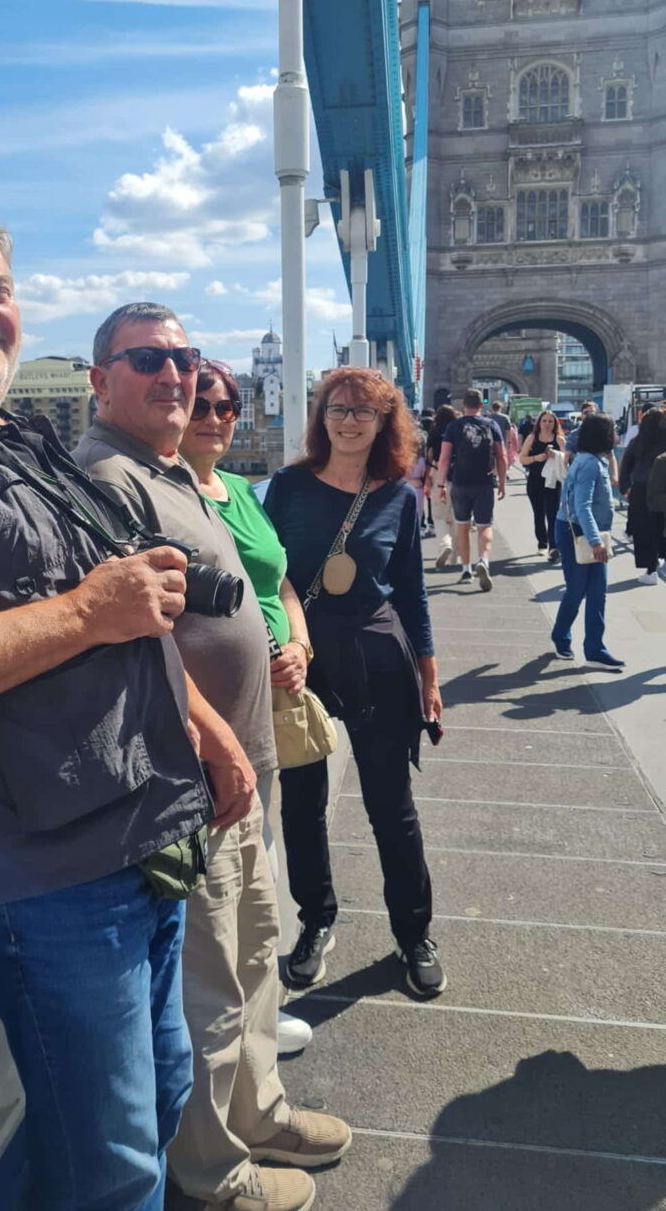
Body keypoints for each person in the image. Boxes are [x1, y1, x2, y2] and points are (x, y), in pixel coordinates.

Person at [0, 197, 258, 1211]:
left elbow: (128, 610)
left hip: (135, 828)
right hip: (32, 869)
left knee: (143, 1109)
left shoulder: (24, 440)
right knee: (115, 1162)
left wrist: (206, 728)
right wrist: (82, 616)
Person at [75, 304, 351, 1211]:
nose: (175, 374)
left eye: (184, 357)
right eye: (148, 357)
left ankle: (260, 1111)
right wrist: (214, 739)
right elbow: (126, 641)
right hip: (190, 782)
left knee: (256, 956)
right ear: (99, 379)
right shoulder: (105, 478)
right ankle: (214, 1169)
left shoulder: (180, 476)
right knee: (208, 991)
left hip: (247, 767)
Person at [263, 367, 446, 1000]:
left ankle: (414, 933)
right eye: (337, 409)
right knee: (303, 801)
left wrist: (430, 675)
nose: (348, 420)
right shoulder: (286, 487)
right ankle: (316, 921)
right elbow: (267, 576)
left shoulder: (400, 496)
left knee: (391, 807)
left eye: (363, 412)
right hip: (302, 659)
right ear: (321, 417)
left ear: (384, 422)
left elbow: (414, 596)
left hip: (379, 658)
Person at [177, 357, 314, 1058]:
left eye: (228, 405)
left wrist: (301, 641)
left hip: (269, 710)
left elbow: (281, 579)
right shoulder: (163, 489)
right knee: (215, 894)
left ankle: (261, 1013)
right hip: (207, 728)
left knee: (262, 866)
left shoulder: (238, 488)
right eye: (201, 402)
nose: (215, 416)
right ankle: (226, 1039)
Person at [551, 413, 623, 669]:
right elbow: (582, 506)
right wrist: (595, 541)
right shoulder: (591, 464)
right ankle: (562, 637)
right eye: (614, 430)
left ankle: (595, 648)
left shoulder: (593, 460)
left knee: (597, 592)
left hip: (589, 532)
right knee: (578, 589)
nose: (617, 435)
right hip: (579, 534)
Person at [434, 388, 507, 590]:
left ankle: (466, 570)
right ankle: (483, 560)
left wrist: (440, 485)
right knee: (484, 526)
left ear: (463, 405)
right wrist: (501, 482)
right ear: (481, 405)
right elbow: (501, 457)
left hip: (460, 483)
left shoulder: (453, 426)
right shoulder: (491, 424)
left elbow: (444, 459)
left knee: (462, 526)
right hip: (483, 483)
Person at [619, 407, 666, 585]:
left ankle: (650, 569)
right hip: (662, 489)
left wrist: (624, 488)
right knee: (661, 526)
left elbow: (626, 465)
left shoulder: (638, 441)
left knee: (644, 530)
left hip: (640, 489)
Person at [518, 409, 566, 561]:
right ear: (539, 423)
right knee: (539, 513)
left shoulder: (559, 439)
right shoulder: (532, 438)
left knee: (553, 514)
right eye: (544, 421)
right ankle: (542, 543)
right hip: (535, 481)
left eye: (550, 421)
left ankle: (554, 546)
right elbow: (522, 459)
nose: (547, 424)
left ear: (555, 424)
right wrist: (536, 458)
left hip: (553, 482)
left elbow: (567, 459)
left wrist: (557, 455)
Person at [424, 403, 458, 569]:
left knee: (439, 515)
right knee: (458, 516)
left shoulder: (435, 430)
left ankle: (445, 545)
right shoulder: (459, 429)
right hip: (459, 474)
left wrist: (427, 478)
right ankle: (456, 558)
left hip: (439, 472)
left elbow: (430, 455)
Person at [490, 400, 519, 476]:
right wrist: (509, 441)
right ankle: (502, 474)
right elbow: (508, 431)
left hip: (491, 441)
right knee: (502, 458)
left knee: (493, 458)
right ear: (500, 408)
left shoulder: (488, 417)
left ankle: (494, 473)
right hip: (502, 441)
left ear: (492, 408)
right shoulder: (505, 417)